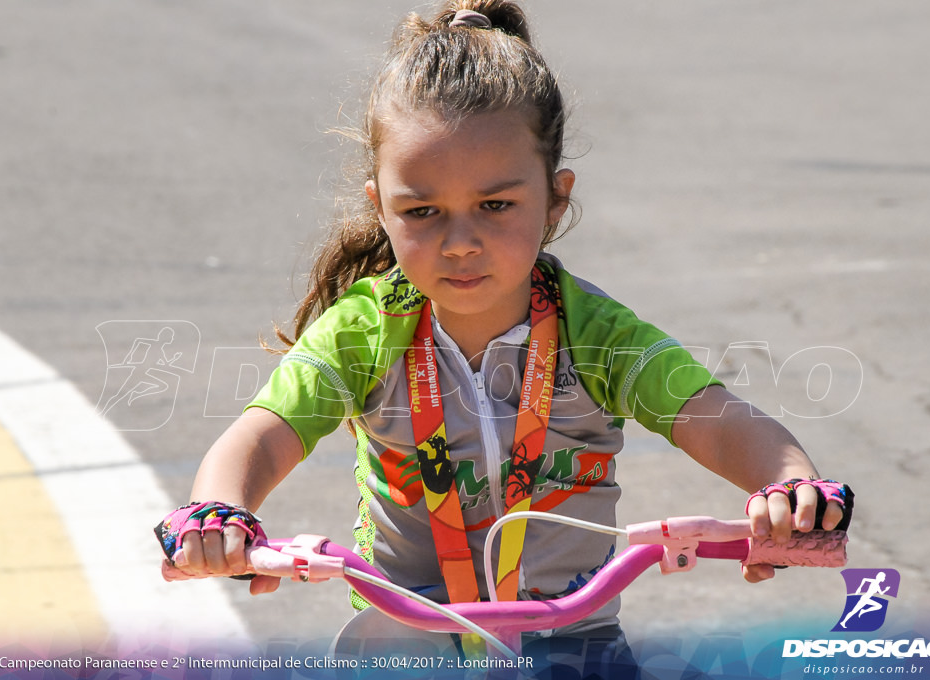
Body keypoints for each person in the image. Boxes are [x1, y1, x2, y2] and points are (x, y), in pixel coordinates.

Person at [155, 0, 853, 672]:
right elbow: (263, 432)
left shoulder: (594, 333)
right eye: (423, 211)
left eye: (496, 205)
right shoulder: (364, 333)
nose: (460, 242)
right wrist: (221, 513)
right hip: (408, 640)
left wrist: (788, 488)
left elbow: (718, 419)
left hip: (572, 639)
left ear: (556, 198)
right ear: (381, 208)